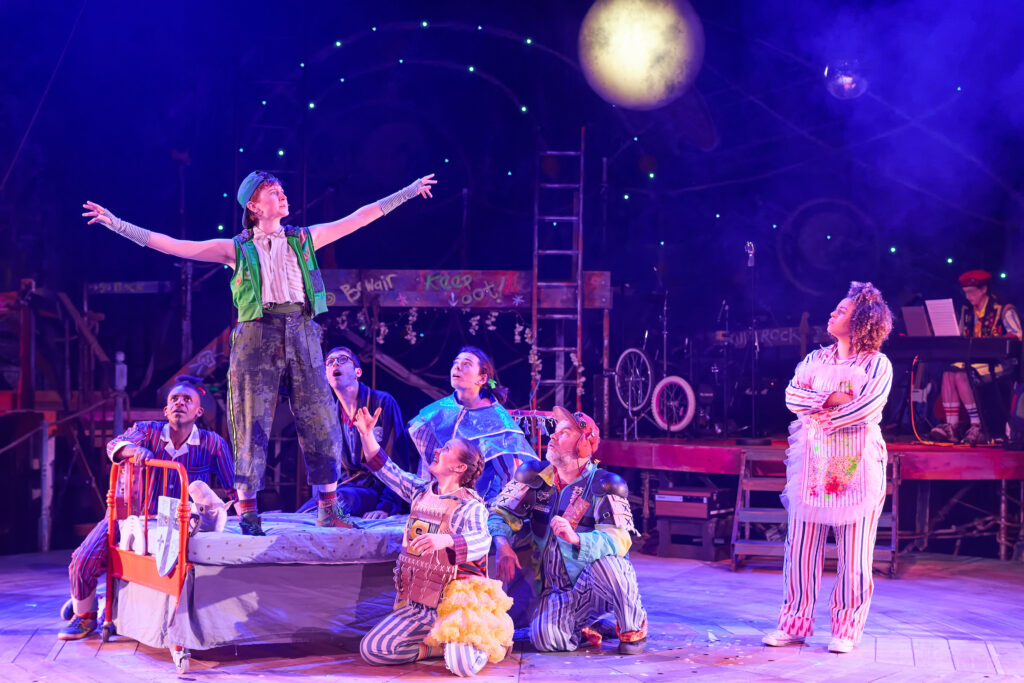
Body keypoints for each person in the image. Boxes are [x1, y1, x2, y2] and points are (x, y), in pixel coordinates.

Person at [83, 170, 436, 535]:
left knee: (318, 413)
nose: (282, 195)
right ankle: (248, 509)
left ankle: (328, 507)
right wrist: (118, 225)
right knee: (250, 417)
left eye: (282, 190)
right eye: (272, 191)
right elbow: (174, 244)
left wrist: (407, 192)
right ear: (253, 206)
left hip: (301, 326)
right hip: (256, 331)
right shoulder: (235, 248)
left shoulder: (304, 239)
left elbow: (359, 217)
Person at [764, 281, 894, 654]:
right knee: (801, 549)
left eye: (842, 311)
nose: (832, 314)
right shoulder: (816, 360)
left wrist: (823, 413)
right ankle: (794, 622)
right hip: (814, 463)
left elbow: (867, 408)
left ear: (861, 322)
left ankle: (847, 627)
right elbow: (792, 395)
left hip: (857, 465)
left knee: (854, 555)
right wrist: (830, 399)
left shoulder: (876, 364)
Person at [59, 379, 234, 640]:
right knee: (83, 560)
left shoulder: (212, 443)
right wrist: (134, 449)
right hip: (131, 514)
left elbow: (233, 486)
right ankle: (84, 615)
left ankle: (108, 607)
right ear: (165, 410)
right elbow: (113, 447)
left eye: (187, 400)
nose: (180, 403)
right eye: (174, 399)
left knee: (185, 566)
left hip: (180, 521)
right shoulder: (148, 431)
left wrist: (245, 514)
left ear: (198, 412)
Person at [353, 406, 513, 677]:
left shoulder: (469, 505)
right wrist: (367, 434)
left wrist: (445, 540)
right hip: (421, 603)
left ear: (460, 467)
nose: (438, 451)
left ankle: (481, 640)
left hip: (459, 604)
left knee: (461, 667)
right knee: (373, 649)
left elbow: (481, 542)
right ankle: (435, 647)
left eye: (447, 449)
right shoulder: (420, 492)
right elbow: (385, 469)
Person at [489, 407, 648, 655]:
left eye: (564, 433)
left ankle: (633, 628)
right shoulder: (534, 476)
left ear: (584, 444)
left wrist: (577, 538)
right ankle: (585, 627)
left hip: (597, 584)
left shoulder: (605, 484)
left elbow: (620, 539)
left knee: (609, 563)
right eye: (556, 431)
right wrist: (503, 545)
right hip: (557, 590)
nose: (552, 436)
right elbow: (500, 514)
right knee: (545, 640)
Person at [407, 346, 537, 502]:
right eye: (456, 362)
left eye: (466, 364)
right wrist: (423, 503)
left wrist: (500, 513)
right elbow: (427, 466)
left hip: (478, 506)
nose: (457, 367)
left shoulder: (497, 420)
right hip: (437, 504)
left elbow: (514, 476)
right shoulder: (438, 413)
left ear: (482, 378)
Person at [295, 346, 412, 518]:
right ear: (326, 377)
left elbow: (398, 459)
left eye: (342, 360)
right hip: (349, 488)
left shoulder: (382, 403)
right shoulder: (330, 417)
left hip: (377, 489)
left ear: (358, 372)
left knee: (340, 500)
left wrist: (386, 506)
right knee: (315, 505)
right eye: (329, 362)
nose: (335, 364)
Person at [928, 269, 1022, 445]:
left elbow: (1017, 336)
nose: (968, 297)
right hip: (972, 361)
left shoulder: (1003, 310)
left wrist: (994, 343)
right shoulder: (967, 312)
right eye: (965, 293)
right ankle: (952, 427)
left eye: (971, 292)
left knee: (962, 372)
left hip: (1001, 363)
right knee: (949, 372)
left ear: (984, 289)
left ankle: (977, 426)